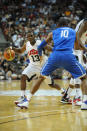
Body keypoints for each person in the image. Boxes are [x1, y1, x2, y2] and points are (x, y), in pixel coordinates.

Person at [16, 18, 87, 110]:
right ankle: (85, 102)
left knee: (41, 77)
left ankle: (26, 101)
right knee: (83, 77)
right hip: (68, 56)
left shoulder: (53, 33)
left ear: (58, 25)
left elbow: (41, 46)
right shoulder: (73, 32)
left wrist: (40, 55)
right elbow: (78, 46)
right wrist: (85, 50)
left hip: (55, 57)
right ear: (67, 24)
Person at [12, 32, 64, 108]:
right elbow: (20, 51)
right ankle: (22, 97)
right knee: (23, 76)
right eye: (28, 36)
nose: (30, 37)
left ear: (34, 36)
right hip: (32, 65)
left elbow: (49, 48)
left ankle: (63, 91)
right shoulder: (27, 44)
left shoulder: (39, 42)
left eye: (31, 35)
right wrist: (12, 48)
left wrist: (57, 52)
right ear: (27, 38)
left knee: (51, 84)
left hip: (43, 66)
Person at [61, 18, 87, 105]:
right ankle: (77, 97)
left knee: (75, 75)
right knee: (79, 73)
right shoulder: (85, 23)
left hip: (77, 50)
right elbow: (77, 37)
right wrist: (84, 50)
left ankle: (66, 96)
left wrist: (82, 52)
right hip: (74, 49)